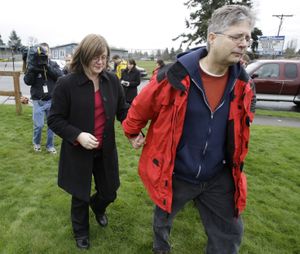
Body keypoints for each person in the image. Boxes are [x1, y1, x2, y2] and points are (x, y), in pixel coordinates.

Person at [122, 5, 256, 254]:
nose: (244, 43)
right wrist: (132, 132)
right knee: (163, 216)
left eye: (247, 37)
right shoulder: (175, 75)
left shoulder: (243, 84)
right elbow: (140, 107)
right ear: (213, 38)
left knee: (230, 233)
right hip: (175, 172)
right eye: (237, 36)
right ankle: (160, 246)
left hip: (218, 175)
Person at [47, 34, 129, 249]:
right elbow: (54, 119)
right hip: (78, 152)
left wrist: (134, 130)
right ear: (83, 56)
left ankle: (99, 206)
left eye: (104, 57)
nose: (100, 62)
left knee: (109, 191)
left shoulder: (111, 80)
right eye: (95, 57)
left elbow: (123, 111)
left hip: (105, 150)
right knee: (79, 195)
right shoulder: (66, 84)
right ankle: (81, 233)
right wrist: (78, 135)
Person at [24, 42, 63, 154]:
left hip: (51, 100)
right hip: (38, 101)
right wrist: (33, 69)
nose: (44, 55)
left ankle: (49, 146)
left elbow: (60, 76)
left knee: (52, 126)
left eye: (46, 52)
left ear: (49, 53)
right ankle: (36, 143)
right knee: (39, 125)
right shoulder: (33, 65)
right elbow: (27, 81)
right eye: (42, 52)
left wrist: (47, 67)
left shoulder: (53, 64)